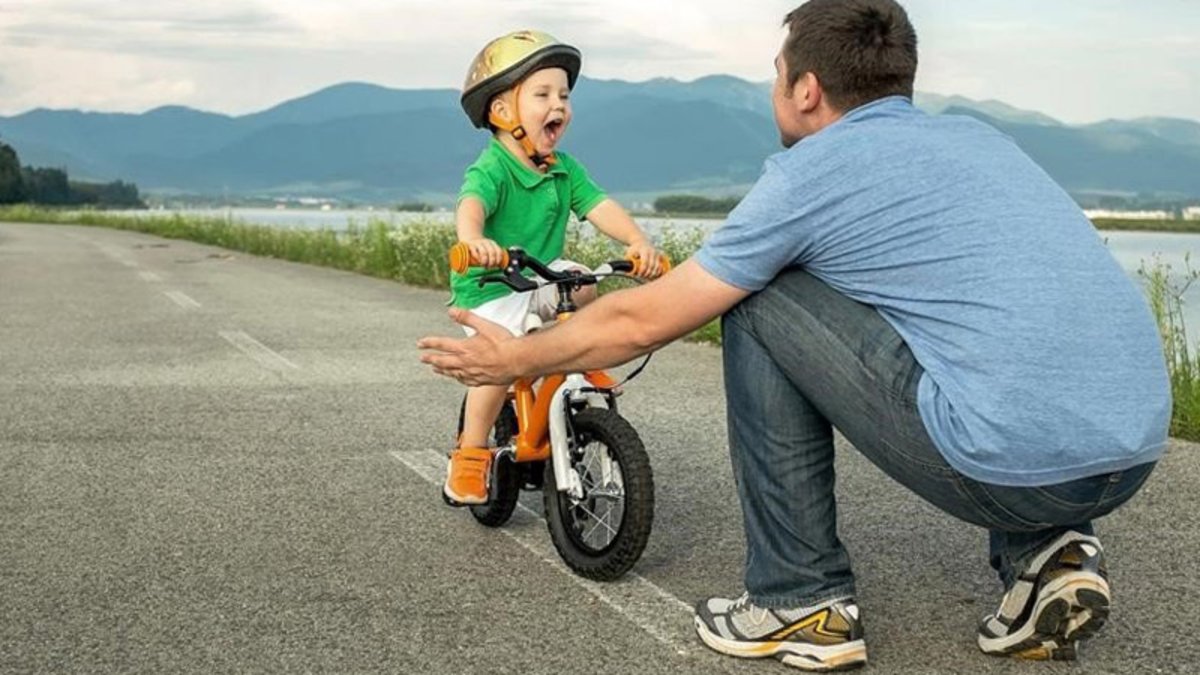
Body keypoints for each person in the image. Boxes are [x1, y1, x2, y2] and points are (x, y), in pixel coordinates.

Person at [420, 0, 1170, 670]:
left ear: (805, 89)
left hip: (1010, 463)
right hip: (1133, 450)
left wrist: (510, 356)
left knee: (757, 294)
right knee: (971, 325)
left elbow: (644, 316)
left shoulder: (812, 171)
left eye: (776, 75)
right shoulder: (983, 142)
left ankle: (799, 597)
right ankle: (1052, 551)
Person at [443, 29, 662, 506]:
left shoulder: (565, 168)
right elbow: (471, 206)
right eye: (542, 94)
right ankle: (472, 452)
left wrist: (636, 240)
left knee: (581, 282)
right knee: (498, 362)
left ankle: (583, 355)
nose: (558, 104)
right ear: (502, 112)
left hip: (538, 277)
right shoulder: (494, 167)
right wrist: (474, 241)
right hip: (490, 289)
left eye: (563, 94)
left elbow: (600, 205)